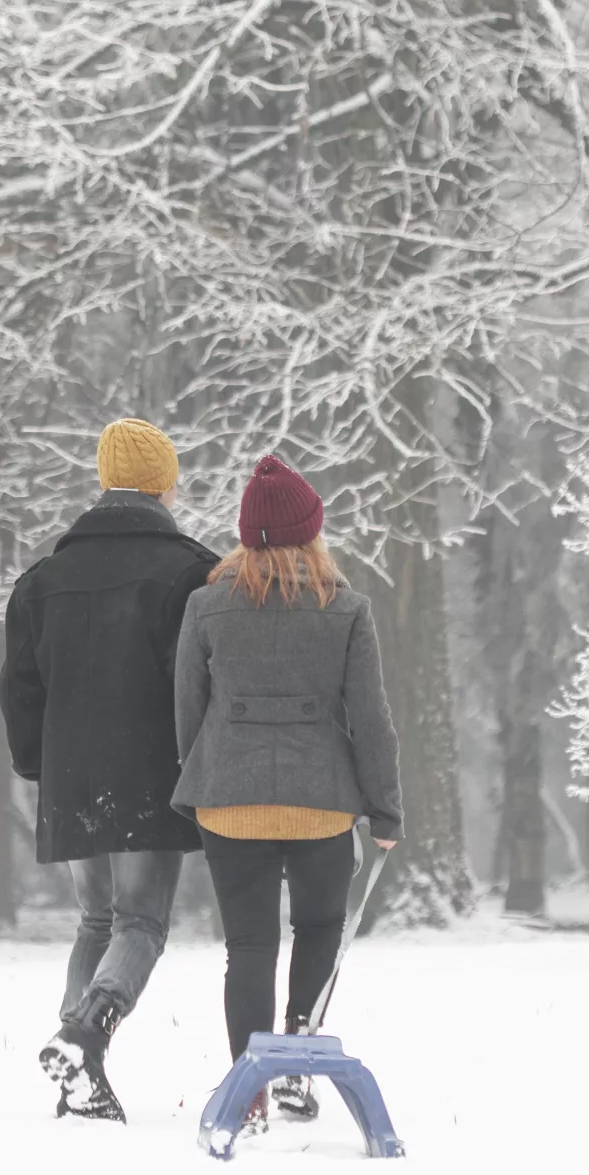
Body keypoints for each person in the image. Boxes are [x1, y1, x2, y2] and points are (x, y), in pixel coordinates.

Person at [171, 455, 401, 1129]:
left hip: (230, 798)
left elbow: (188, 705)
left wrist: (204, 771)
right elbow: (371, 715)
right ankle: (298, 1052)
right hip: (321, 801)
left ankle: (249, 1087)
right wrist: (385, 807)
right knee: (319, 925)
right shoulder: (346, 606)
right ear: (311, 531)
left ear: (246, 532)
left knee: (247, 944)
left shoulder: (205, 603)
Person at [0, 417, 218, 1122]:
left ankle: (75, 1065)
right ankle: (84, 1031)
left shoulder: (43, 579)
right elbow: (199, 681)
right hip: (150, 774)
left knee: (96, 917)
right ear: (164, 483)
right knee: (141, 922)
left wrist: (38, 765)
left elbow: (19, 687)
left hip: (70, 780)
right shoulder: (189, 572)